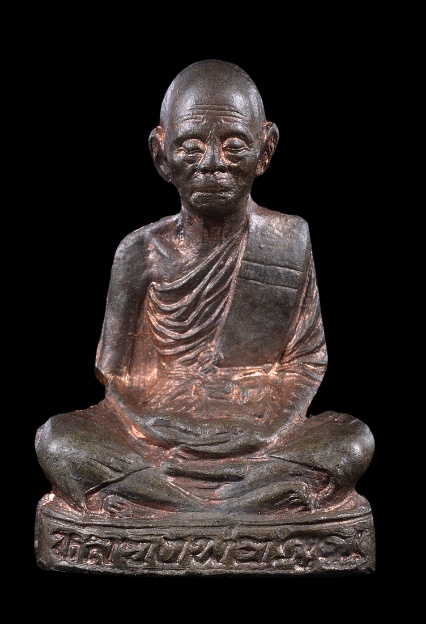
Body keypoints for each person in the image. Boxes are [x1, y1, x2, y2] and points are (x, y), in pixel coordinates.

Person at [35, 59, 374, 517]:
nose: (213, 164)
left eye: (234, 147)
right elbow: (117, 378)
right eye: (191, 148)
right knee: (58, 439)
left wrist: (265, 426)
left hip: (259, 432)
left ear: (266, 150)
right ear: (161, 156)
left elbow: (306, 359)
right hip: (156, 435)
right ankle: (242, 501)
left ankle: (169, 500)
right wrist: (157, 426)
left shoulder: (288, 240)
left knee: (352, 439)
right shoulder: (139, 252)